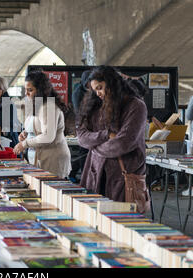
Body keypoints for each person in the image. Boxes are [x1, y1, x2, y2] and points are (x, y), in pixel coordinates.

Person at [76, 65, 147, 202]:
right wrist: (106, 135)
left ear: (112, 83)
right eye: (95, 90)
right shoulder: (95, 105)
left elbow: (122, 143)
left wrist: (94, 148)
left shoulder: (136, 106)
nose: (98, 93)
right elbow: (82, 137)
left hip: (123, 176)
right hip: (95, 174)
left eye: (100, 87)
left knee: (122, 220)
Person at [13, 70, 71, 179]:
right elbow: (36, 125)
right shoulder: (36, 104)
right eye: (25, 90)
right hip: (39, 158)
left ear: (40, 90)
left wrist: (25, 144)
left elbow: (48, 136)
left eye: (30, 90)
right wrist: (26, 133)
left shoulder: (48, 107)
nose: (26, 94)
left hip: (52, 160)